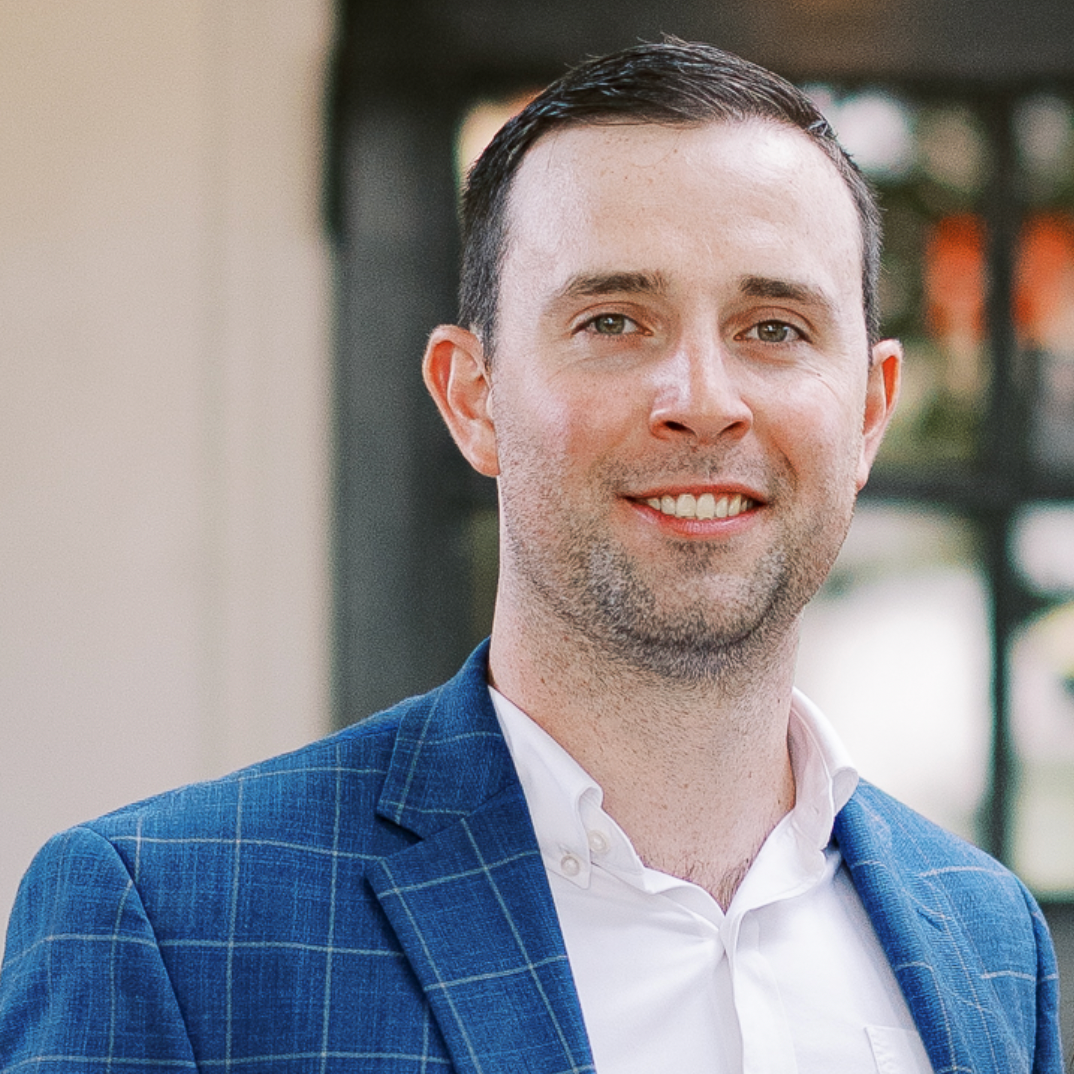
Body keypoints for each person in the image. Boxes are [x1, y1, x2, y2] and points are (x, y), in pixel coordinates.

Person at [0, 39, 1061, 1074]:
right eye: (613, 320)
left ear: (870, 411)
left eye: (774, 327)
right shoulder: (173, 925)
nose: (701, 400)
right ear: (474, 398)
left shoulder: (989, 941)